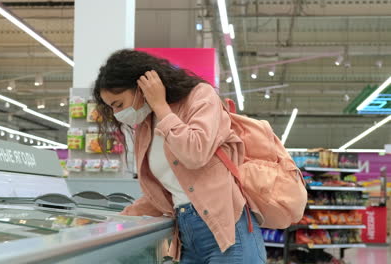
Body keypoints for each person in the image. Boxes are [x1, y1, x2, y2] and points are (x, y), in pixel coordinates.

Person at [93, 49, 266, 264]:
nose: (118, 113)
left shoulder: (199, 96)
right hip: (187, 234)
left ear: (142, 86)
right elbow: (164, 194)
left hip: (227, 232)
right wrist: (114, 221)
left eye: (118, 104)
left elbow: (195, 153)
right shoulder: (146, 127)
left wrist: (161, 107)